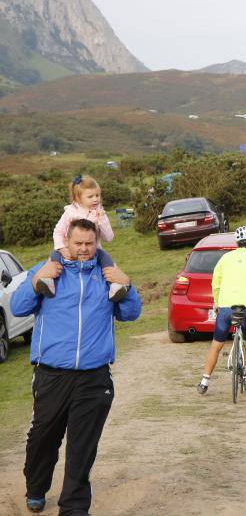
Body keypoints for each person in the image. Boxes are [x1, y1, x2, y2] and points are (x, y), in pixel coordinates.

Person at [10, 218, 142, 514]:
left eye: (89, 244)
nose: (83, 249)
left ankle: (74, 508)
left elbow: (131, 313)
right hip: (52, 374)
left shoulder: (106, 274)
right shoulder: (48, 271)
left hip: (94, 377)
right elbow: (18, 308)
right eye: (78, 243)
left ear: (97, 244)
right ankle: (36, 486)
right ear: (66, 242)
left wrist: (126, 283)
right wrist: (35, 281)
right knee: (44, 437)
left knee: (82, 447)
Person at [197, 226, 246, 395]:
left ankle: (204, 381)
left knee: (216, 344)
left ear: (237, 242)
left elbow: (215, 283)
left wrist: (217, 302)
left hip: (225, 308)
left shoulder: (225, 258)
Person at [37, 175, 127, 302]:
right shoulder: (70, 212)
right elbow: (58, 231)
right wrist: (62, 248)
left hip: (93, 250)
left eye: (97, 195)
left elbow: (109, 238)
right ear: (78, 198)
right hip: (68, 249)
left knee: (105, 258)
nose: (95, 199)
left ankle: (115, 286)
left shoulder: (100, 213)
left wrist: (102, 220)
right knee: (54, 257)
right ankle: (48, 282)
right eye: (90, 196)